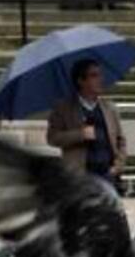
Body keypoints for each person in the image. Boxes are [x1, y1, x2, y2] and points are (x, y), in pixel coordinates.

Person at [47, 57, 127, 190]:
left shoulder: (109, 108)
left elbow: (121, 141)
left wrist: (118, 166)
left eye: (100, 75)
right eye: (94, 75)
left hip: (107, 176)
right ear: (80, 81)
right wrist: (80, 134)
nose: (100, 79)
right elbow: (52, 138)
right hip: (79, 177)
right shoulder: (63, 109)